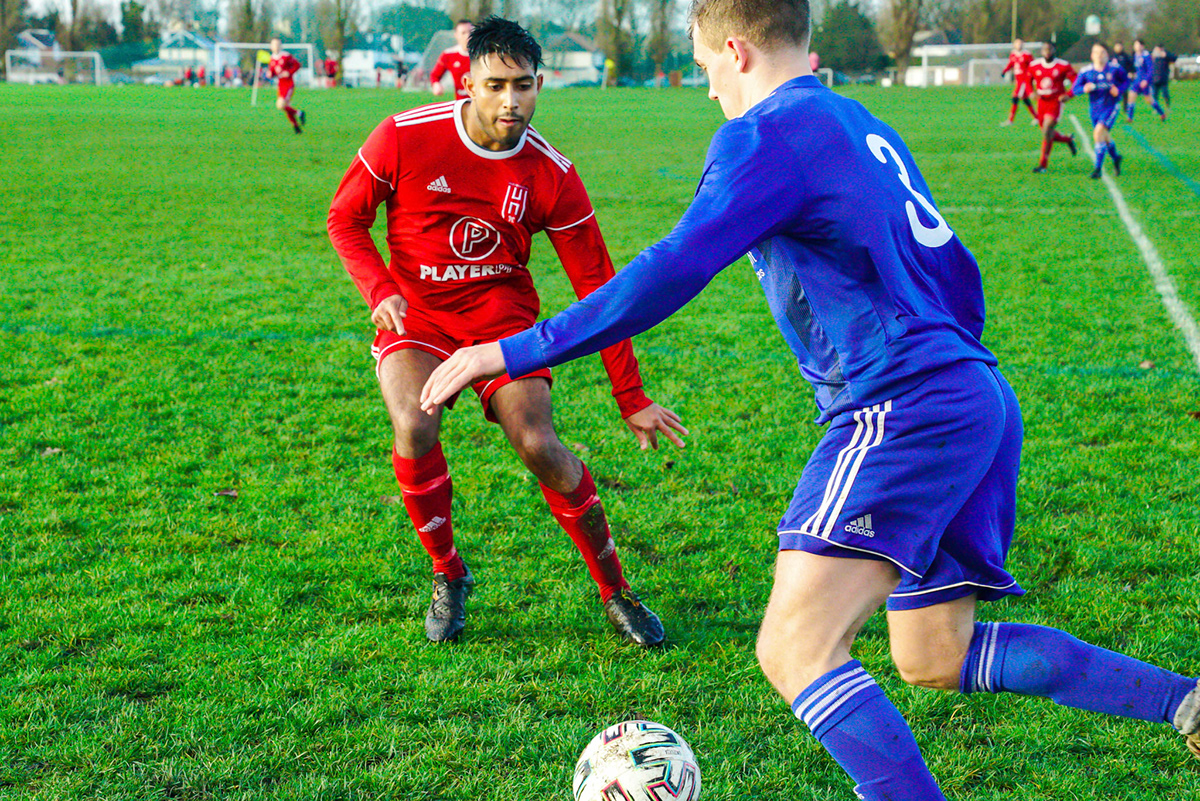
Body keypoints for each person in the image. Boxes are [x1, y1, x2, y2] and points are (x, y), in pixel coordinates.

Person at [419, 1, 1200, 796]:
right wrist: (955, 380)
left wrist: (510, 349)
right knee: (936, 653)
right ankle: (1190, 704)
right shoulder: (859, 121)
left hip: (902, 405)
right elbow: (956, 269)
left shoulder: (765, 134)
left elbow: (673, 268)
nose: (708, 89)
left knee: (795, 648)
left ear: (734, 49)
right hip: (972, 391)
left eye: (704, 66)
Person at [326, 16, 686, 647]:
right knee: (414, 421)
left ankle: (616, 591)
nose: (510, 101)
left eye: (523, 85)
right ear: (466, 81)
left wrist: (631, 396)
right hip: (420, 318)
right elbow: (344, 219)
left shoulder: (553, 174)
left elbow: (600, 292)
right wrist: (381, 291)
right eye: (495, 85)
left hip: (502, 322)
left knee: (538, 442)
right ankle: (449, 574)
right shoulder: (403, 137)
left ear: (539, 84)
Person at [1075, 43, 1127, 179]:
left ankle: (1098, 169)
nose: (1099, 55)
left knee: (1098, 132)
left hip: (1111, 106)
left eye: (1102, 52)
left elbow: (1127, 81)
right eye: (1096, 52)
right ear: (1092, 55)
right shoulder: (1086, 71)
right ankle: (1116, 158)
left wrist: (1119, 90)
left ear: (1107, 55)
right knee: (1103, 135)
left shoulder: (1115, 69)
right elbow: (1075, 89)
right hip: (1095, 108)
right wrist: (1084, 89)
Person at [1027, 41, 1077, 173]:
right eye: (1044, 49)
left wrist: (1069, 95)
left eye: (1049, 49)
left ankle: (1043, 165)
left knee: (1047, 128)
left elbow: (1077, 81)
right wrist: (1031, 92)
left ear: (1054, 50)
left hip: (1055, 101)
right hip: (1041, 102)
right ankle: (1067, 139)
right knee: (1047, 133)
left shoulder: (1063, 65)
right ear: (1041, 51)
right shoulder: (1034, 65)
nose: (1047, 52)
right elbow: (1027, 80)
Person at [268, 38, 306, 134]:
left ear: (280, 46)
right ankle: (296, 126)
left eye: (277, 44)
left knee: (280, 105)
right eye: (274, 45)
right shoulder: (272, 58)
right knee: (285, 107)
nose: (276, 46)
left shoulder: (286, 56)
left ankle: (299, 113)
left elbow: (297, 65)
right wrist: (270, 74)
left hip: (288, 84)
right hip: (280, 85)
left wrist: (289, 72)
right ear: (271, 46)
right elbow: (273, 72)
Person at [430, 19, 474, 99]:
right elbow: (435, 75)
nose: (467, 36)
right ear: (456, 35)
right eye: (463, 33)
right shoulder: (449, 54)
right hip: (461, 103)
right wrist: (436, 85)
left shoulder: (483, 54)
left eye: (470, 32)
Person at [1127, 39, 1167, 122]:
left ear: (1142, 46)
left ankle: (1162, 114)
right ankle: (1130, 118)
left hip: (1144, 82)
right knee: (1131, 96)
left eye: (1137, 45)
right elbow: (1137, 69)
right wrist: (1132, 74)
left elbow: (1150, 70)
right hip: (1137, 81)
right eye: (1135, 45)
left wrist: (1146, 80)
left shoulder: (1146, 55)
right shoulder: (1135, 55)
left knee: (1149, 100)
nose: (1136, 47)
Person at [999, 38, 1036, 126]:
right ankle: (1037, 117)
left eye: (1020, 43)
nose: (1019, 45)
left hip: (1024, 81)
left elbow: (1033, 66)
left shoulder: (1027, 55)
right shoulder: (1013, 54)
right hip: (1018, 81)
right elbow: (1010, 64)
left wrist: (1032, 77)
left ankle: (1010, 120)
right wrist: (1004, 71)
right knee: (1025, 100)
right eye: (1017, 43)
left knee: (1015, 98)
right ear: (1014, 45)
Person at [1151, 44, 1177, 111]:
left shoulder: (1165, 55)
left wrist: (1166, 55)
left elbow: (1174, 58)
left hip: (1163, 78)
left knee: (1165, 94)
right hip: (1155, 78)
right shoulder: (1153, 56)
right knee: (1155, 95)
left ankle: (1167, 106)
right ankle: (1156, 108)